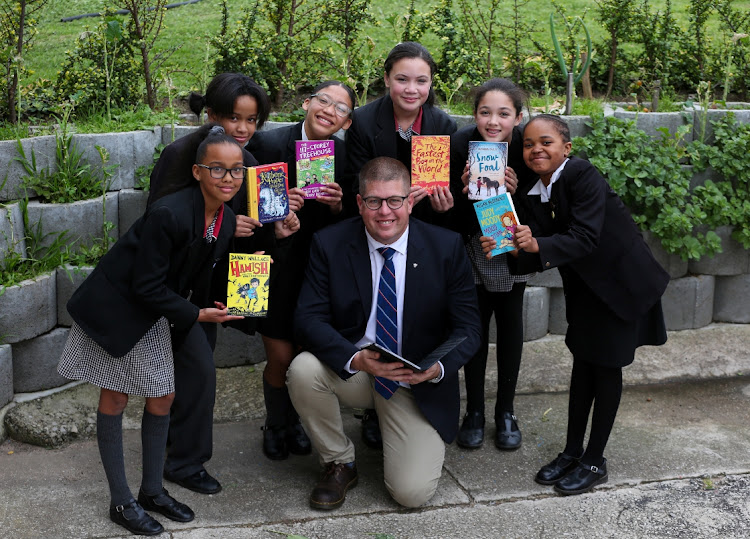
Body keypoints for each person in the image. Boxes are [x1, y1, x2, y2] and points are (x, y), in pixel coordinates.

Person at [57, 127, 246, 535]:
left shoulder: (226, 219)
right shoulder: (169, 213)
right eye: (217, 169)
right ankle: (121, 502)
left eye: (236, 171)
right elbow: (144, 286)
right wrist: (196, 315)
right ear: (197, 172)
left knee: (163, 394)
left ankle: (151, 490)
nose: (228, 178)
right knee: (116, 393)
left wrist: (214, 305)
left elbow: (197, 272)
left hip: (160, 310)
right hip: (121, 309)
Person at [481, 114, 669, 495]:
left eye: (546, 142)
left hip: (621, 288)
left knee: (606, 368)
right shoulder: (536, 192)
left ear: (566, 148)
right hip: (585, 290)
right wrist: (508, 249)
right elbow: (537, 250)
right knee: (583, 365)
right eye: (529, 144)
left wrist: (535, 245)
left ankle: (595, 460)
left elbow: (583, 237)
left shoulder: (583, 175)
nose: (536, 149)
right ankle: (571, 452)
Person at [286, 156, 481, 510]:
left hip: (413, 378)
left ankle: (395, 428)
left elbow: (469, 328)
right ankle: (339, 460)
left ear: (410, 201)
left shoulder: (445, 246)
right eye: (374, 201)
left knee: (412, 495)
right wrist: (356, 358)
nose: (384, 212)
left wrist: (434, 370)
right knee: (303, 369)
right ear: (359, 203)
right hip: (358, 369)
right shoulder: (329, 243)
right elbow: (308, 318)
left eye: (395, 200)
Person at [148, 73, 300, 495]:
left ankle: (179, 452)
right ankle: (184, 462)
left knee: (197, 370)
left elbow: (258, 233)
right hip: (174, 288)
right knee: (196, 372)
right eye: (233, 117)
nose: (243, 129)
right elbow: (159, 223)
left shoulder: (251, 164)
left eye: (252, 121)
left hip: (217, 287)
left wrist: (280, 228)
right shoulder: (180, 155)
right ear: (211, 114)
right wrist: (228, 222)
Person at [345, 41, 457, 447]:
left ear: (431, 83)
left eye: (421, 80)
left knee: (414, 315)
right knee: (373, 312)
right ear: (387, 79)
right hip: (375, 222)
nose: (412, 88)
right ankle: (370, 407)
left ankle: (406, 394)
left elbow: (445, 184)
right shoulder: (363, 120)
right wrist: (387, 208)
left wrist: (444, 204)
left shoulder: (442, 124)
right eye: (402, 79)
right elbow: (359, 182)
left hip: (420, 231)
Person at [246, 80, 356, 460]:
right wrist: (274, 207)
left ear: (346, 122)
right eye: (324, 101)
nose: (329, 110)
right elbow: (245, 211)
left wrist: (340, 205)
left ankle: (297, 422)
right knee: (279, 357)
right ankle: (276, 423)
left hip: (319, 270)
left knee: (307, 355)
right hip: (275, 265)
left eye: (340, 108)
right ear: (307, 103)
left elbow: (356, 221)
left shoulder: (343, 157)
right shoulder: (269, 145)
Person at [448, 78, 536, 451]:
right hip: (474, 247)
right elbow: (444, 209)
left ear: (517, 117)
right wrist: (464, 191)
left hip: (512, 248)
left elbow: (541, 207)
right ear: (474, 114)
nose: (493, 121)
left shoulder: (527, 148)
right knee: (475, 329)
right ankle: (475, 412)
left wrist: (515, 194)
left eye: (504, 113)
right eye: (485, 112)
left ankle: (506, 410)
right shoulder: (459, 143)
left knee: (511, 327)